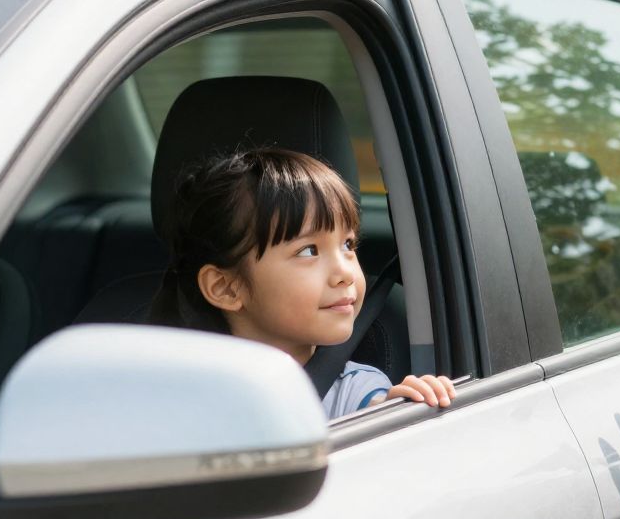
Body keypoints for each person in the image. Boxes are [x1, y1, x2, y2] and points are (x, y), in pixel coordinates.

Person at [152, 146, 455, 419]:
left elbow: (376, 409)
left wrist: (398, 409)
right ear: (226, 288)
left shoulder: (354, 392)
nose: (346, 272)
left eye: (348, 245)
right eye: (309, 251)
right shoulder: (178, 392)